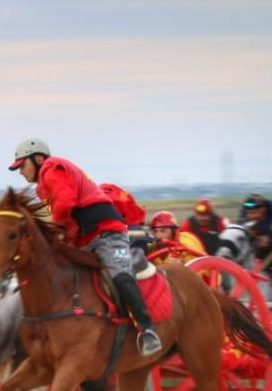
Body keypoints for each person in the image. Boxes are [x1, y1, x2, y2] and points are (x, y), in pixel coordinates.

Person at [9, 138, 161, 356]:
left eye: (22, 165)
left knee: (120, 275)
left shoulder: (51, 169)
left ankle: (147, 330)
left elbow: (65, 204)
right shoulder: (44, 185)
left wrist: (54, 229)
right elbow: (69, 219)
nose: (21, 172)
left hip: (108, 234)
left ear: (39, 158)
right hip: (85, 239)